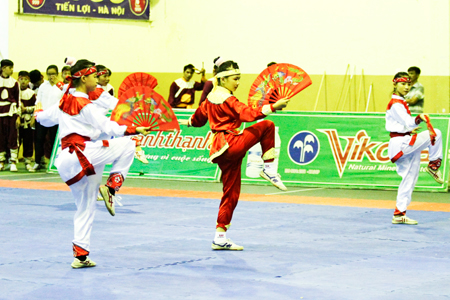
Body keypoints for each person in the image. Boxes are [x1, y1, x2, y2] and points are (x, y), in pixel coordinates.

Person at [35, 59, 151, 269]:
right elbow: (108, 126)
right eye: (95, 76)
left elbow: (44, 118)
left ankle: (81, 255)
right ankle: (112, 187)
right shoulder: (85, 104)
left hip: (67, 160)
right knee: (128, 144)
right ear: (85, 78)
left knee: (85, 206)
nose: (98, 80)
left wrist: (37, 113)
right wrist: (134, 129)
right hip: (82, 154)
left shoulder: (65, 100)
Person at [182, 60, 289, 250]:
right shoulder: (228, 99)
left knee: (230, 193)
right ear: (223, 80)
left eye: (239, 79)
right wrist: (273, 107)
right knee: (267, 126)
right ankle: (270, 168)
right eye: (235, 79)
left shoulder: (209, 99)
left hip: (220, 151)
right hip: (231, 143)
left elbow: (198, 119)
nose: (238, 82)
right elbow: (248, 114)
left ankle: (220, 237)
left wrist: (188, 123)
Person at [386, 72, 443, 225]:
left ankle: (399, 214)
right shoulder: (396, 103)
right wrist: (418, 118)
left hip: (403, 141)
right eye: (403, 83)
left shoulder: (399, 102)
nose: (406, 87)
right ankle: (433, 165)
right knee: (436, 133)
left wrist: (407, 129)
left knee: (409, 179)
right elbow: (408, 121)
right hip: (402, 144)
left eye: (408, 84)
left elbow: (400, 123)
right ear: (395, 84)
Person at [33, 65, 63, 170]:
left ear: (57, 74)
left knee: (54, 140)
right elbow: (38, 101)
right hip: (43, 116)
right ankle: (38, 162)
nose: (51, 76)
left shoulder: (61, 87)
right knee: (39, 139)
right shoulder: (43, 86)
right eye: (49, 74)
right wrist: (35, 116)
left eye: (53, 74)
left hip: (56, 118)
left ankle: (54, 162)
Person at [0, 59, 20, 172]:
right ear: (3, 68)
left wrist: (18, 115)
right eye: (10, 68)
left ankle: (13, 161)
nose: (12, 70)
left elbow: (18, 100)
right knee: (0, 137)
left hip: (11, 113)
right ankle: (1, 161)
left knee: (12, 137)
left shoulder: (14, 82)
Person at [18, 71, 37, 172]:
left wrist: (26, 109)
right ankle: (11, 160)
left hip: (27, 120)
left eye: (26, 79)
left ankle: (28, 161)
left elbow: (36, 106)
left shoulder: (31, 93)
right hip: (16, 120)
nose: (23, 81)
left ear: (28, 80)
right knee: (15, 140)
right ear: (18, 79)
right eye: (21, 79)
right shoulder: (14, 91)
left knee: (28, 141)